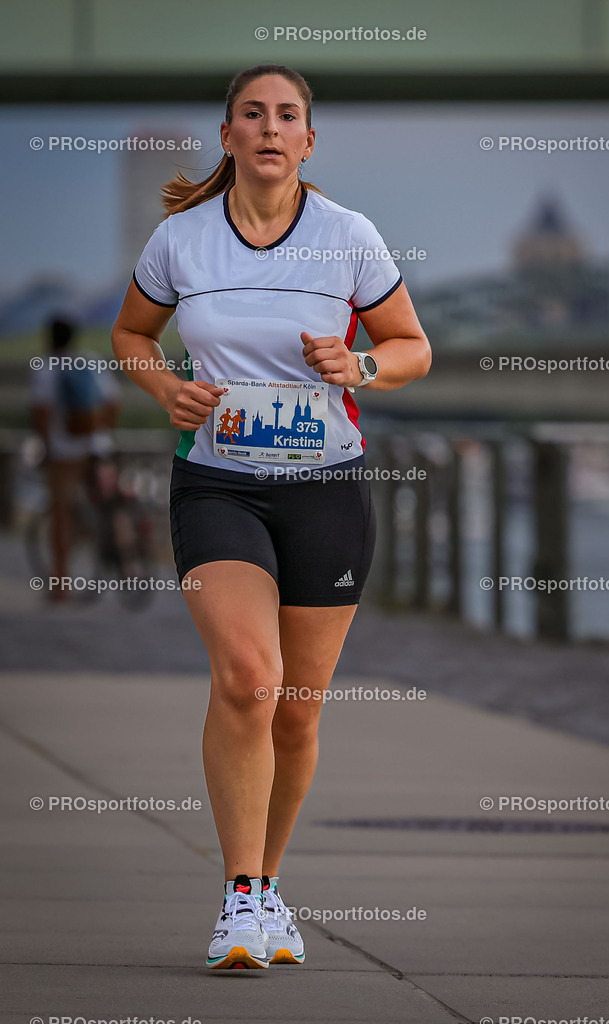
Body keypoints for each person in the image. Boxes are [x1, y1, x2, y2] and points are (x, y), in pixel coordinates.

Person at [111, 63, 431, 970]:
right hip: (218, 483)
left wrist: (359, 367)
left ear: (308, 142)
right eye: (252, 114)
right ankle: (240, 898)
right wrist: (165, 388)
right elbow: (131, 334)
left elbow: (412, 347)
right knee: (251, 679)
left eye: (287, 116)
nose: (269, 128)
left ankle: (269, 886)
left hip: (326, 488)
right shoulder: (180, 240)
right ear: (228, 136)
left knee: (295, 714)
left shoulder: (347, 236)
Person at [31, 317, 119, 600]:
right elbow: (113, 402)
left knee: (60, 513)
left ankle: (60, 583)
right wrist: (100, 432)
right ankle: (128, 557)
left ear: (49, 338)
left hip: (64, 451)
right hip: (97, 447)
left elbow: (42, 414)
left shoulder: (47, 368)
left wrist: (45, 448)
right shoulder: (90, 361)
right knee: (108, 503)